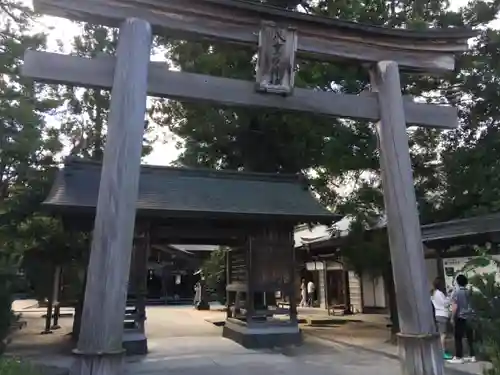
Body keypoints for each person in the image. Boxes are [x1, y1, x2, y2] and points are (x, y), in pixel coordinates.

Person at [448, 274, 476, 364]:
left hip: (460, 317)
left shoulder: (456, 292)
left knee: (458, 337)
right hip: (470, 316)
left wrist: (452, 317)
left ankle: (459, 356)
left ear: (457, 282)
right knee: (470, 337)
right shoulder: (469, 292)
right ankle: (472, 356)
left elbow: (455, 306)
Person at [431, 277, 452, 360]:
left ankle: (441, 351)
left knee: (441, 334)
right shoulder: (439, 293)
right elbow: (445, 303)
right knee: (443, 335)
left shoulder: (434, 293)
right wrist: (449, 297)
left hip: (437, 314)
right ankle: (442, 352)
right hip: (442, 314)